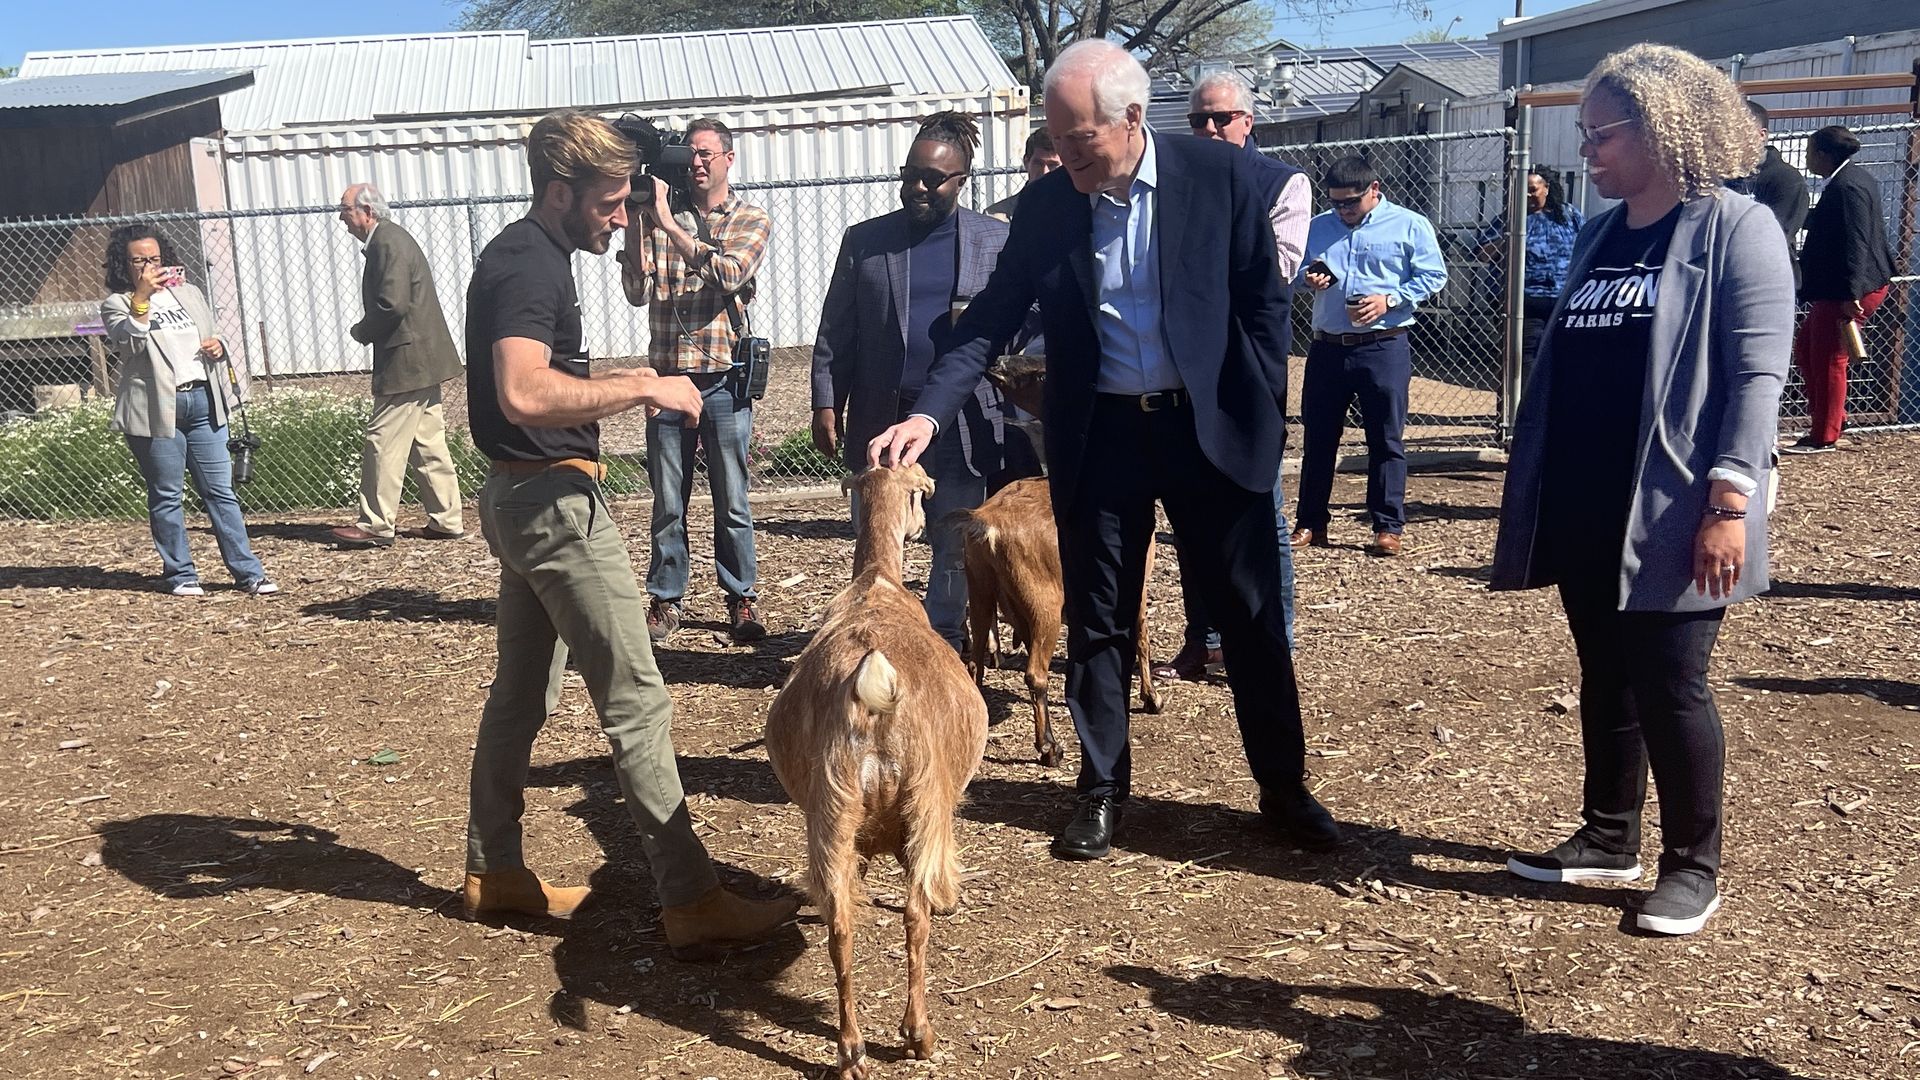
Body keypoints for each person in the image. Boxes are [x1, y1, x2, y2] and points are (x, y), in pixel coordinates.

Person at [867, 40, 1341, 862]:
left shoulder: (1221, 180)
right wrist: (931, 416)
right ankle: (1101, 787)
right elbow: (990, 318)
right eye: (1056, 138)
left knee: (1250, 614)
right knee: (1097, 617)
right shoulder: (1050, 207)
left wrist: (1262, 419)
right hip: (1105, 434)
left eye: (1079, 139)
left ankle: (1284, 788)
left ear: (1130, 119)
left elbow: (1265, 310)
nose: (1067, 156)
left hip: (1209, 430)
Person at [460, 109, 797, 951]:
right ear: (561, 189)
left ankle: (495, 869)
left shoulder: (527, 255)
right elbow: (525, 392)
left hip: (520, 495)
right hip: (550, 506)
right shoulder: (529, 265)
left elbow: (548, 376)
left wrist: (632, 372)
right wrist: (645, 389)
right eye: (611, 202)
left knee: (522, 693)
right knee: (637, 697)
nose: (621, 218)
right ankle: (691, 900)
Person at [1490, 44, 1793, 937]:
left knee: (1672, 681)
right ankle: (1608, 834)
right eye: (1584, 135)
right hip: (1587, 497)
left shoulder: (1737, 227)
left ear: (1662, 128)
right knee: (1605, 671)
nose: (1587, 152)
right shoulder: (1600, 231)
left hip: (1677, 503)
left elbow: (1756, 375)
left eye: (1601, 135)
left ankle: (1694, 865)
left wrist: (1730, 502)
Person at [810, 112, 1014, 651]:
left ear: (962, 180)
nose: (917, 187)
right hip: (882, 416)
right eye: (910, 174)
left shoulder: (995, 242)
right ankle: (877, 633)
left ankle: (942, 639)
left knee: (952, 540)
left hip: (963, 419)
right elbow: (837, 328)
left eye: (932, 178)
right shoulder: (867, 242)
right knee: (877, 538)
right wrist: (826, 401)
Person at [1153, 69, 1310, 683]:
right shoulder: (1175, 182)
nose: (1210, 129)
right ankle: (1205, 637)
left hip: (1242, 376)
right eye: (1198, 120)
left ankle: (1274, 642)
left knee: (1259, 513)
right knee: (1191, 519)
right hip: (1180, 375)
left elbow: (1276, 271)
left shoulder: (1281, 181)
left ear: (1249, 121)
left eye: (1221, 118)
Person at [617, 118, 772, 642]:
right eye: (690, 155)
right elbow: (636, 291)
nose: (697, 163)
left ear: (729, 158)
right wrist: (641, 221)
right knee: (667, 497)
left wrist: (671, 225)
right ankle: (665, 597)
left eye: (706, 154)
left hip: (724, 380)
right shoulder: (662, 219)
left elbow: (730, 273)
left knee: (731, 496)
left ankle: (741, 596)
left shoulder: (750, 219)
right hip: (667, 380)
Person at [101, 225, 277, 598]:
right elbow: (130, 343)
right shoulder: (118, 303)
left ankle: (249, 573)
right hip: (155, 409)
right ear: (124, 264)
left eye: (154, 258)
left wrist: (218, 345)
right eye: (139, 260)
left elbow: (214, 333)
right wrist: (143, 297)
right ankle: (181, 574)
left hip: (203, 401)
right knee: (167, 494)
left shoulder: (189, 294)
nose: (149, 266)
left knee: (220, 492)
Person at [1292, 158, 1447, 557]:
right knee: (1319, 438)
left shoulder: (1410, 225)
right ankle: (1311, 522)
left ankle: (1387, 526)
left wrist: (1389, 300)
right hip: (1328, 346)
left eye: (1351, 203)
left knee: (1385, 438)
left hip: (1384, 345)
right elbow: (1293, 272)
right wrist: (1307, 278)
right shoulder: (1318, 227)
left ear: (1374, 189)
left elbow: (1434, 275)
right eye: (1336, 204)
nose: (1343, 211)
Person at [328, 183, 468, 549]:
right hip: (423, 357)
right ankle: (447, 519)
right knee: (427, 441)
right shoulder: (391, 239)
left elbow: (392, 304)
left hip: (407, 359)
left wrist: (363, 330)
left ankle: (375, 524)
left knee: (382, 440)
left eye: (344, 209)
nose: (341, 217)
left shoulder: (387, 243)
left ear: (366, 212)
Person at [1785, 124, 1895, 454]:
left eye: (1809, 153)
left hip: (1849, 290)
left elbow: (1856, 243)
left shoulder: (1847, 188)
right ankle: (1833, 418)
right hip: (1847, 287)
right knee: (1807, 349)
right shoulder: (1852, 180)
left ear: (1825, 155)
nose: (1807, 160)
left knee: (1829, 359)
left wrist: (1851, 294)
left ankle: (1824, 435)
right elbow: (1832, 223)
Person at [1476, 167, 1585, 382]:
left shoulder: (1568, 215)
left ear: (1547, 189)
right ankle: (1524, 408)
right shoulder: (1510, 219)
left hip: (1564, 299)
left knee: (1564, 356)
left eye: (1532, 190)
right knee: (1527, 360)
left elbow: (1588, 243)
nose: (1527, 195)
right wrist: (1511, 236)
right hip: (1524, 301)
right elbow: (1482, 254)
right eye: (1522, 190)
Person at [1726, 101, 1809, 290]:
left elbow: (1777, 235)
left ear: (1761, 135)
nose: (1731, 139)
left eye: (1739, 131)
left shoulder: (1785, 179)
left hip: (1767, 282)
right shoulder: (1718, 176)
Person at [983, 128, 1062, 221]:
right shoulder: (995, 217)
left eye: (1052, 165)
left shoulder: (1079, 212)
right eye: (1038, 164)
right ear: (1026, 162)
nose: (1045, 172)